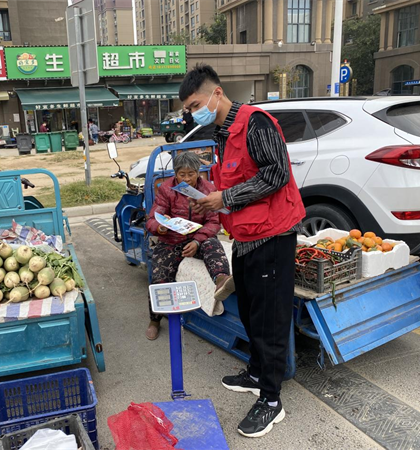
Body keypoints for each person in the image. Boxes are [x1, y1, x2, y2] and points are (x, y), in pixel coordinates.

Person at [180, 63, 305, 438]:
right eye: (188, 109)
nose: (193, 113)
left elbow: (276, 174)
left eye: (196, 104)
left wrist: (226, 197)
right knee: (250, 311)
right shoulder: (222, 134)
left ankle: (271, 400)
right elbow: (237, 181)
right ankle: (256, 372)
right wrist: (211, 199)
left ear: (216, 93)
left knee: (270, 320)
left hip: (273, 236)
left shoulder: (255, 123)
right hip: (246, 237)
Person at [145, 151, 233, 341]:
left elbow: (214, 222)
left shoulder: (208, 189)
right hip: (171, 240)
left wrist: (196, 241)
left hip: (197, 238)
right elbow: (152, 219)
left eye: (191, 174)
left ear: (198, 172)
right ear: (175, 173)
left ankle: (221, 279)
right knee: (159, 276)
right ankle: (154, 320)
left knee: (213, 245)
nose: (186, 178)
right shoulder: (166, 189)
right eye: (181, 174)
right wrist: (161, 226)